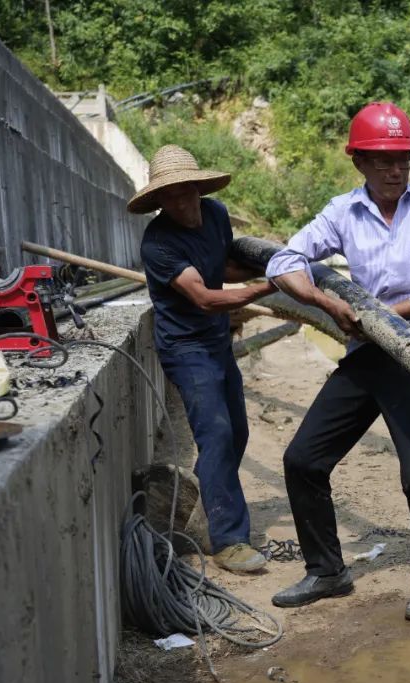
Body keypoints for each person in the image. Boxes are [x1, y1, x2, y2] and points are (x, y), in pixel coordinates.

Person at [266, 102, 410, 620]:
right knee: (303, 460)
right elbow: (284, 261)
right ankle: (326, 570)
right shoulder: (342, 212)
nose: (394, 169)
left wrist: (395, 311)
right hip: (366, 348)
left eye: (402, 158)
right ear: (359, 161)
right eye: (381, 159)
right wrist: (323, 301)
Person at [128, 145, 276, 573]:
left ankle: (204, 500)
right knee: (215, 434)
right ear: (158, 201)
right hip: (185, 347)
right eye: (169, 196)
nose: (180, 201)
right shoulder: (158, 244)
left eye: (185, 191)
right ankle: (228, 540)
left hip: (216, 342)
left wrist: (270, 267)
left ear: (198, 187)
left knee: (237, 433)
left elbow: (223, 267)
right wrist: (268, 290)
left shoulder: (215, 214)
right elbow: (207, 297)